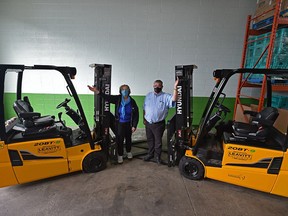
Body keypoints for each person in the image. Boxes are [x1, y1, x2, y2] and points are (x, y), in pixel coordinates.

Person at [87, 84, 139, 164]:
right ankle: (120, 155)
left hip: (128, 124)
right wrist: (97, 91)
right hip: (120, 124)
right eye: (123, 89)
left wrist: (134, 125)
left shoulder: (132, 101)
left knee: (128, 138)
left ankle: (129, 152)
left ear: (129, 91)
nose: (124, 91)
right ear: (120, 91)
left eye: (126, 89)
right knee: (120, 139)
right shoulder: (118, 99)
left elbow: (136, 114)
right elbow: (107, 97)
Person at [143, 78, 179, 164]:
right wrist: (143, 119)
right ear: (153, 86)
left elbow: (174, 99)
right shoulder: (148, 95)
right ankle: (150, 154)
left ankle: (157, 157)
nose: (156, 87)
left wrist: (175, 87)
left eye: (158, 86)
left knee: (158, 142)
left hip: (158, 124)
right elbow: (144, 108)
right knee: (150, 140)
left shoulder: (166, 96)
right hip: (148, 123)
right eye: (155, 85)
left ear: (162, 87)